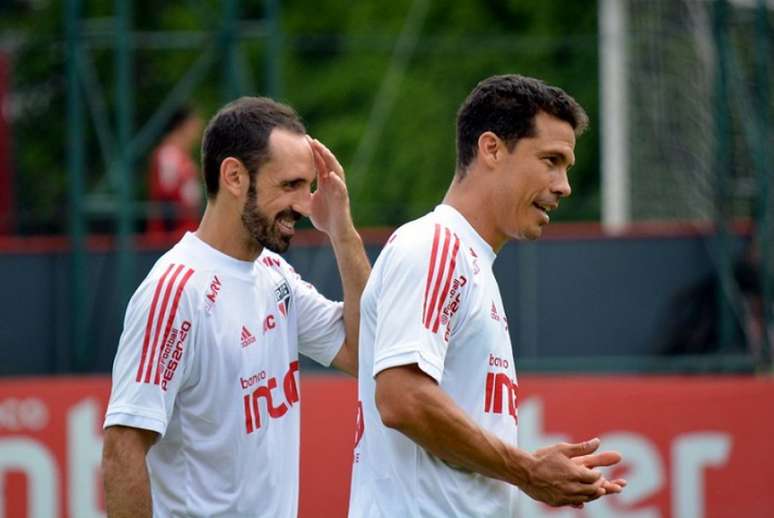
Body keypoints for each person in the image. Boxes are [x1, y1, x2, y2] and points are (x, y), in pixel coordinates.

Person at [348, 74, 626, 517]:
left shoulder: (472, 263)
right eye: (551, 160)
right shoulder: (435, 246)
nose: (564, 186)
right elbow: (401, 398)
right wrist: (527, 471)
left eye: (567, 168)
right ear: (492, 149)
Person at [102, 97, 370, 517]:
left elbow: (364, 352)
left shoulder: (275, 275)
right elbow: (123, 449)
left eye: (308, 186)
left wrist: (343, 231)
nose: (304, 205)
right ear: (233, 177)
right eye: (290, 185)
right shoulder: (175, 292)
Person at [146, 106, 204, 237]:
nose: (198, 132)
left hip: (184, 233)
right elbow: (166, 197)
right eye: (194, 126)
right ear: (182, 127)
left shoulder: (181, 156)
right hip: (171, 238)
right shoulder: (168, 155)